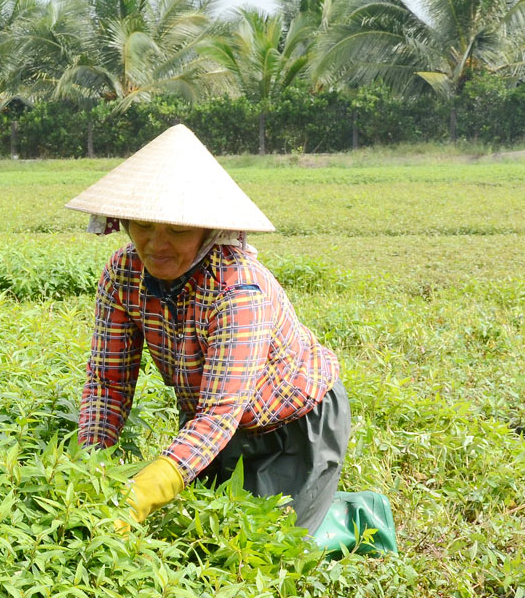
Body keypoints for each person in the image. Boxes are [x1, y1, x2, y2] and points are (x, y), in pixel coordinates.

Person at [68, 125, 349, 532]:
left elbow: (221, 412)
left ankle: (350, 515)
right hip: (212, 418)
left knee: (264, 544)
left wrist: (145, 490)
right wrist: (88, 464)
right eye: (142, 226)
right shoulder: (123, 274)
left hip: (294, 425)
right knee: (196, 531)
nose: (155, 244)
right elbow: (109, 382)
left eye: (177, 230)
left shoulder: (237, 290)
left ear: (208, 231)